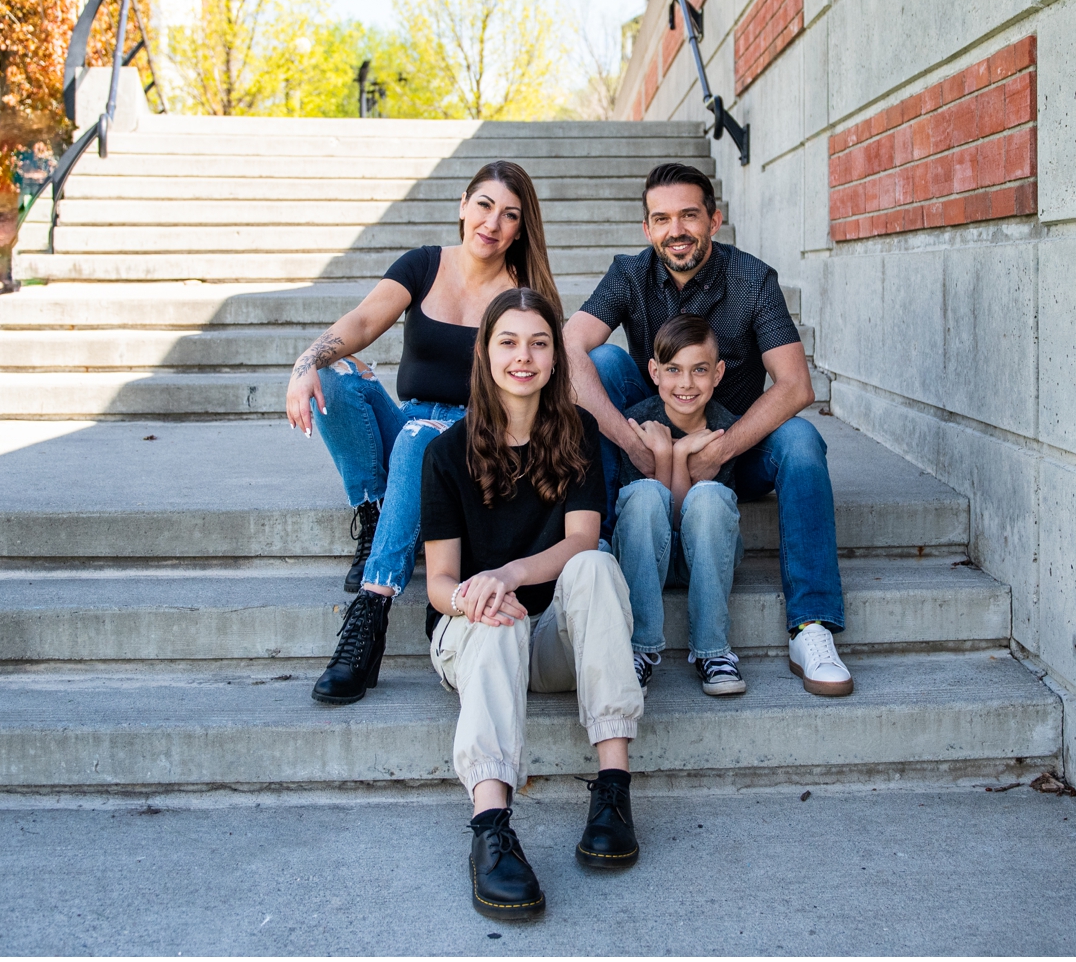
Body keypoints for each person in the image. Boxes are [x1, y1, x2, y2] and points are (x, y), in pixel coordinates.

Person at [564, 162, 853, 697]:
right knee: (598, 361)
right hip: (647, 444)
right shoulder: (629, 274)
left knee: (803, 442)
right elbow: (568, 345)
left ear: (714, 220)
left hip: (735, 445)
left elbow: (794, 385)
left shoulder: (752, 281)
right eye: (662, 219)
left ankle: (811, 626)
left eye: (689, 215)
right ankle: (602, 546)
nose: (676, 230)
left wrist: (721, 450)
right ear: (647, 229)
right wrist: (633, 442)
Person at [285, 161, 560, 706]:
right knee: (340, 377)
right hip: (412, 424)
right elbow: (362, 324)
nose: (493, 223)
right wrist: (304, 364)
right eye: (484, 206)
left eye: (510, 215)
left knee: (420, 437)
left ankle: (370, 613)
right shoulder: (423, 266)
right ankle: (375, 514)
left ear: (520, 229)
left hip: (477, 443)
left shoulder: (523, 296)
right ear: (463, 204)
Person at [420, 287, 643, 920]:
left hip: (551, 640)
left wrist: (510, 573)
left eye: (540, 343)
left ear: (555, 357)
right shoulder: (445, 453)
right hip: (474, 637)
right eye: (509, 342)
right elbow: (439, 583)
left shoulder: (577, 434)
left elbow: (581, 539)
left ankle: (613, 794)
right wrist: (478, 596)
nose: (525, 356)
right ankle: (490, 830)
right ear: (485, 354)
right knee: (495, 620)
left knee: (597, 566)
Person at [609, 313, 747, 696]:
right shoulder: (636, 422)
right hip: (644, 555)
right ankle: (638, 650)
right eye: (673, 369)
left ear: (718, 373)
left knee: (711, 498)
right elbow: (651, 515)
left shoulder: (723, 428)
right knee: (644, 495)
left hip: (703, 556)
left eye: (699, 370)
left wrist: (678, 451)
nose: (686, 384)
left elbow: (692, 521)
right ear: (654, 371)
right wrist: (672, 455)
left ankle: (713, 651)